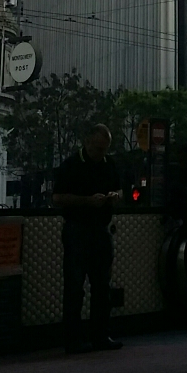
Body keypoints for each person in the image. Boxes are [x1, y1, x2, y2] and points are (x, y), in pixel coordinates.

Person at [52, 123, 124, 353]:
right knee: (75, 287)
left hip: (100, 229)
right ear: (87, 143)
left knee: (101, 287)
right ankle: (73, 340)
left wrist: (114, 196)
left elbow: (120, 189)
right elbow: (57, 197)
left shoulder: (109, 164)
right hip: (77, 229)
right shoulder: (71, 165)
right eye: (97, 149)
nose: (101, 154)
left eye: (104, 149)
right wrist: (87, 201)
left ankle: (99, 336)